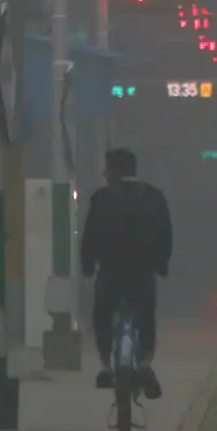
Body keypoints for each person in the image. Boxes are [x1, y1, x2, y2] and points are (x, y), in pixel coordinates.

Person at [80, 147, 172, 400]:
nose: (104, 172)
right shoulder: (154, 196)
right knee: (145, 315)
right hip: (142, 273)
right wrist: (161, 265)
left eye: (107, 167)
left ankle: (106, 367)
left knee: (102, 314)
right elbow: (165, 235)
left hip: (110, 272)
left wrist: (88, 266)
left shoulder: (101, 198)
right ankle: (144, 363)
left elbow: (90, 236)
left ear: (113, 170)